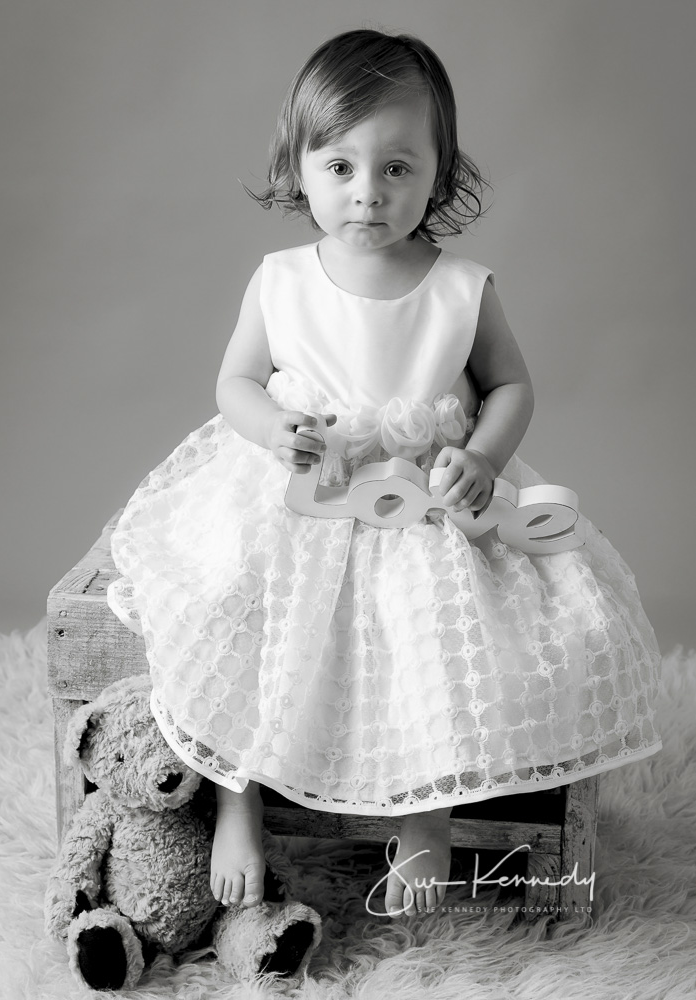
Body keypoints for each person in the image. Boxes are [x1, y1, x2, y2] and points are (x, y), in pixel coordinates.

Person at [108, 28, 662, 919]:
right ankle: (236, 798)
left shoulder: (460, 288)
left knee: (431, 644)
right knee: (239, 613)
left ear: (438, 174)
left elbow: (512, 384)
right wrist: (272, 426)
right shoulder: (281, 281)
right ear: (301, 164)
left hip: (424, 503)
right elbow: (235, 381)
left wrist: (480, 455)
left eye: (397, 168)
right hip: (304, 492)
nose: (367, 192)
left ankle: (423, 815)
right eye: (340, 167)